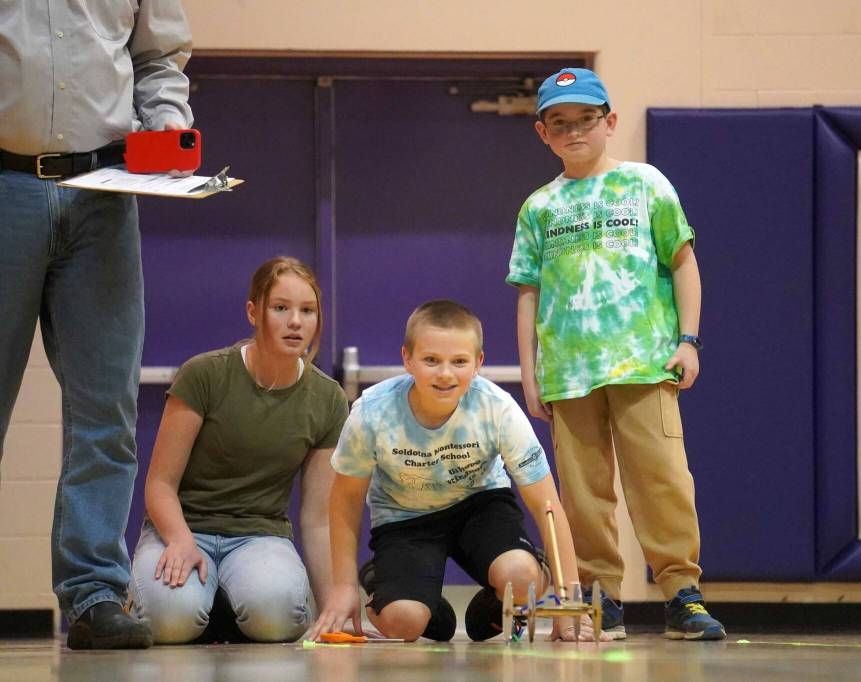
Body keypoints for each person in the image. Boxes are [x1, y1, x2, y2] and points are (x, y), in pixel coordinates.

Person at [506, 67, 726, 641]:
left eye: (585, 119)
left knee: (662, 480)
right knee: (584, 494)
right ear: (543, 133)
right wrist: (530, 374)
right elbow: (528, 293)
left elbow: (683, 263)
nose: (574, 131)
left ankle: (681, 594)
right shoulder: (538, 208)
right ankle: (600, 599)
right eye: (560, 123)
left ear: (610, 122)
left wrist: (689, 340)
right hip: (569, 373)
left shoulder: (646, 184)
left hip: (645, 363)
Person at [0, 1, 193, 649]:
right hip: (4, 184)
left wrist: (166, 124)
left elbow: (158, 59)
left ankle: (92, 594)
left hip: (105, 189)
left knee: (105, 410)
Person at [309, 300, 599, 643]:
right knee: (404, 622)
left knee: (521, 576)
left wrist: (569, 602)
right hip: (404, 519)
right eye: (431, 360)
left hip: (480, 505)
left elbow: (547, 505)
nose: (445, 374)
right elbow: (345, 501)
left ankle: (498, 605)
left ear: (478, 363)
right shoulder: (372, 412)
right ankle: (417, 604)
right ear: (407, 359)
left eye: (458, 362)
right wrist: (343, 588)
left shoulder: (498, 408)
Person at [128, 256, 349, 644]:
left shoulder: (328, 398)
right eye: (281, 308)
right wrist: (180, 539)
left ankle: (228, 611)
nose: (295, 321)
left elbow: (317, 519)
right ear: (253, 311)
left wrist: (334, 602)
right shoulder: (204, 374)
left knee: (279, 619)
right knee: (170, 623)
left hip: (259, 536)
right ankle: (186, 604)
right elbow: (160, 485)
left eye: (307, 310)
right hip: (183, 528)